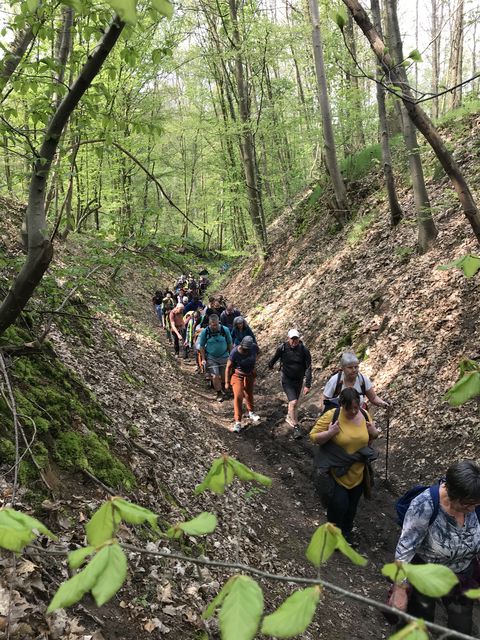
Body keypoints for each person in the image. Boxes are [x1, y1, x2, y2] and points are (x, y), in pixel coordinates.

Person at [389, 460, 480, 635]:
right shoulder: (425, 505)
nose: (471, 509)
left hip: (461, 575)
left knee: (461, 628)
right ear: (451, 492)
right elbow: (405, 548)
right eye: (466, 504)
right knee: (420, 623)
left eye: (475, 505)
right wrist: (399, 589)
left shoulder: (475, 503)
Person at [309, 388, 378, 544]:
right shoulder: (332, 416)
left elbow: (369, 439)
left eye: (357, 407)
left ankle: (346, 535)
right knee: (339, 506)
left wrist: (374, 432)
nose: (354, 411)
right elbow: (314, 436)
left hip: (358, 472)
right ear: (341, 405)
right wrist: (330, 433)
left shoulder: (365, 415)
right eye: (350, 408)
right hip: (336, 471)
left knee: (351, 508)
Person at [268, 329, 312, 439]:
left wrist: (308, 384)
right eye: (292, 339)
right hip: (286, 379)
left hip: (299, 380)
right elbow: (275, 357)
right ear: (288, 338)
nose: (294, 341)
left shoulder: (304, 350)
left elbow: (308, 368)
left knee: (294, 404)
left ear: (299, 339)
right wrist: (270, 364)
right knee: (293, 402)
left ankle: (289, 416)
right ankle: (296, 427)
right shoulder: (282, 348)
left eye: (296, 339)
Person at [319, 352, 389, 413]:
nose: (354, 370)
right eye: (350, 367)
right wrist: (326, 414)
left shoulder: (362, 380)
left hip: (359, 416)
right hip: (339, 418)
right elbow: (324, 399)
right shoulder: (335, 380)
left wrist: (383, 404)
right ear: (343, 368)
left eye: (356, 367)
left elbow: (373, 398)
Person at [225, 336, 260, 433]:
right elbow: (228, 367)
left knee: (249, 393)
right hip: (237, 376)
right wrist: (227, 382)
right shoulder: (235, 352)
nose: (245, 351)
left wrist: (253, 367)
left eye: (247, 349)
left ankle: (251, 412)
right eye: (244, 349)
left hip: (249, 374)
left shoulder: (254, 347)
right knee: (238, 396)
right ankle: (237, 421)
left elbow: (258, 354)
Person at [198, 314, 233, 402]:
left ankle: (224, 389)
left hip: (224, 356)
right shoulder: (205, 332)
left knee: (225, 375)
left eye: (216, 325)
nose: (214, 326)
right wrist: (203, 359)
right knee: (215, 376)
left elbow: (229, 343)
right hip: (211, 357)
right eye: (212, 325)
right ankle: (219, 393)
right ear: (209, 324)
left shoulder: (225, 330)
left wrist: (231, 355)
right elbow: (201, 346)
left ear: (219, 322)